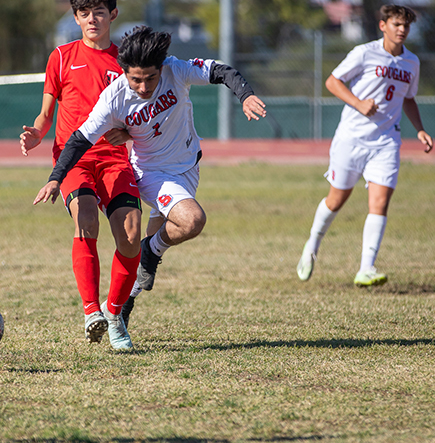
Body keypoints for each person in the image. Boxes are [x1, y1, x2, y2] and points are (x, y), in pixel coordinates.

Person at [34, 25, 266, 328]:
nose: (143, 87)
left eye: (150, 79)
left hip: (188, 166)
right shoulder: (113, 98)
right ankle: (149, 253)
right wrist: (55, 177)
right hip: (152, 173)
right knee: (191, 221)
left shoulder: (176, 70)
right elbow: (79, 139)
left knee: (152, 249)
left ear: (162, 67)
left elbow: (221, 70)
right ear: (123, 71)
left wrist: (245, 95)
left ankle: (123, 303)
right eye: (135, 80)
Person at [20, 0, 142, 351]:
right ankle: (92, 311)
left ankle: (115, 314)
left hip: (116, 159)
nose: (93, 19)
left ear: (113, 16)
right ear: (76, 18)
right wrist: (36, 133)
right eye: (85, 13)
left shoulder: (125, 62)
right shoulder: (60, 57)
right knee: (85, 217)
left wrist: (129, 132)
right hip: (75, 159)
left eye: (100, 12)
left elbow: (139, 113)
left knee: (132, 235)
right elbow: (45, 113)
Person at [296, 4, 433, 287]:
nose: (402, 30)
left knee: (380, 203)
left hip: (386, 141)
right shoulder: (364, 52)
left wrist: (419, 129)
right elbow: (332, 82)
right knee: (336, 200)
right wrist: (358, 103)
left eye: (406, 26)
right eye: (396, 24)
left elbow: (408, 97)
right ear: (383, 26)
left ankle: (366, 268)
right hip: (351, 138)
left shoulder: (412, 62)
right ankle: (311, 245)